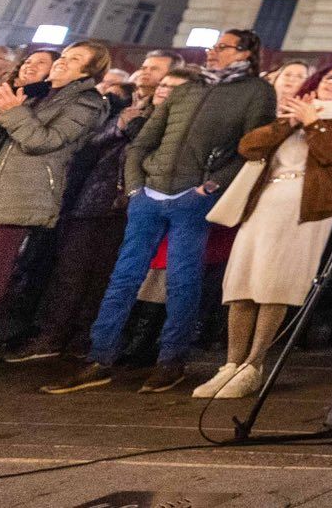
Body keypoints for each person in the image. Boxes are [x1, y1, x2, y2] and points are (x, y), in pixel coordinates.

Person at [45, 29, 277, 395]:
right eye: (212, 46)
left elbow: (251, 147)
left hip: (193, 199)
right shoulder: (188, 88)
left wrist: (210, 186)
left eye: (222, 47)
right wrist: (137, 187)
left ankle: (172, 360)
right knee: (123, 279)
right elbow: (143, 141)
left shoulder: (256, 92)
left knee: (182, 282)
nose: (212, 52)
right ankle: (99, 358)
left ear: (245, 53)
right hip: (149, 196)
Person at [191, 64, 332, 400]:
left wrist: (313, 123)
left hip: (305, 206)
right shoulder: (293, 110)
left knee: (275, 284)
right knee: (242, 281)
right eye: (330, 77)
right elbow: (249, 146)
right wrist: (290, 121)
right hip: (265, 199)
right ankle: (230, 364)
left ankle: (253, 366)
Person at [11, 55, 178, 363]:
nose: (146, 72)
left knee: (103, 275)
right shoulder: (119, 104)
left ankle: (82, 339)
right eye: (146, 67)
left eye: (159, 72)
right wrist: (121, 124)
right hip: (94, 196)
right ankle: (53, 335)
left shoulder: (171, 118)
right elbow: (93, 142)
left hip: (131, 203)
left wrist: (135, 124)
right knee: (69, 271)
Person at [0, 40, 111, 346]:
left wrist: (12, 112)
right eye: (64, 56)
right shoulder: (37, 95)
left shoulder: (87, 103)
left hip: (19, 198)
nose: (62, 62)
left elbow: (44, 141)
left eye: (75, 59)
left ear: (88, 72)